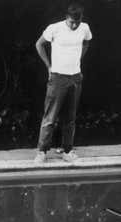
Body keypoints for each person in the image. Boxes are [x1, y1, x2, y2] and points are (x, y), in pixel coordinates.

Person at [34, 2, 92, 164]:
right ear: (66, 17)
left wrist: (78, 58)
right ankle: (42, 151)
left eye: (78, 22)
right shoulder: (55, 28)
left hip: (75, 77)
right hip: (58, 77)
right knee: (50, 117)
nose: (75, 25)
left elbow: (87, 42)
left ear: (81, 19)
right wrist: (49, 66)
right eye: (72, 22)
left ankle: (67, 150)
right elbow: (39, 44)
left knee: (70, 117)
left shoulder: (85, 28)